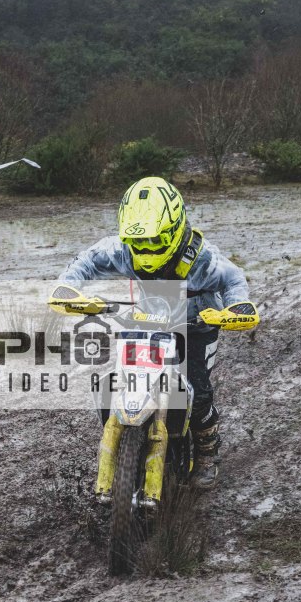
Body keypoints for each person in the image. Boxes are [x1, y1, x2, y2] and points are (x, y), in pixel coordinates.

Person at [50, 176, 253, 456]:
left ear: (173, 230)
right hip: (148, 322)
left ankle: (207, 450)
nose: (145, 248)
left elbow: (233, 279)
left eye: (154, 240)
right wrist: (68, 287)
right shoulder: (123, 251)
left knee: (197, 393)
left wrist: (236, 307)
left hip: (196, 326)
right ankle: (125, 436)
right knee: (122, 381)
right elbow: (87, 260)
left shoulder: (201, 260)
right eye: (137, 241)